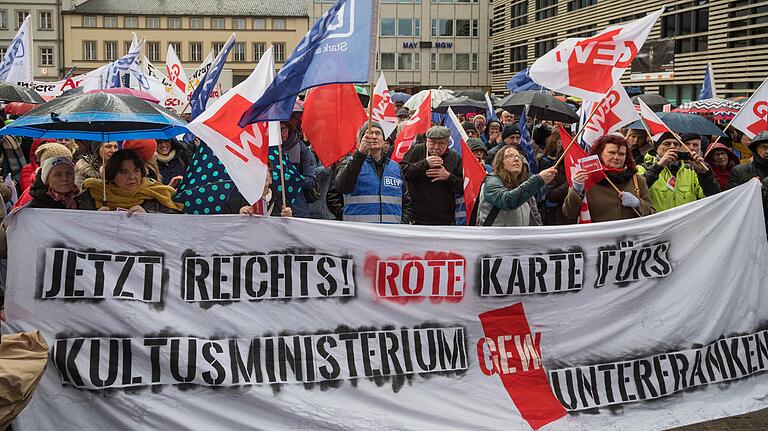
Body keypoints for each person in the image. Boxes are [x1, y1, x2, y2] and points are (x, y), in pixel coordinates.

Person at [563, 135, 655, 222]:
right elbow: (570, 213)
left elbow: (653, 213)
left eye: (621, 154)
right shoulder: (586, 179)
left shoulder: (637, 180)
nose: (617, 157)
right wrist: (577, 189)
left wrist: (638, 203)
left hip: (630, 237)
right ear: (600, 154)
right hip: (599, 237)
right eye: (612, 152)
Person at [332, 123, 411, 224]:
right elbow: (341, 188)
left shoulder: (395, 167)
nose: (373, 136)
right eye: (368, 133)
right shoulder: (349, 163)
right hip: (360, 233)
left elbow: (406, 201)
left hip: (390, 233)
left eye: (377, 133)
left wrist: (402, 224)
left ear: (383, 141)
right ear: (361, 141)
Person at [78, 149, 183, 215]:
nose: (132, 177)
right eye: (124, 172)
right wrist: (93, 218)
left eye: (136, 170)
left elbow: (175, 221)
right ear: (112, 175)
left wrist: (149, 215)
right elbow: (76, 226)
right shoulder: (94, 195)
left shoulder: (156, 193)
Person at [475, 145, 556, 226]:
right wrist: (538, 179)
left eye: (518, 157)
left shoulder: (524, 185)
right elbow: (508, 201)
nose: (516, 159)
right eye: (509, 156)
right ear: (500, 163)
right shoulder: (491, 182)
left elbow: (535, 219)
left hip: (519, 238)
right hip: (495, 238)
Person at [638, 132, 719, 212]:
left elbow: (712, 196)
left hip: (685, 222)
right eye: (667, 143)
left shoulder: (690, 170)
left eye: (676, 144)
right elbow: (638, 193)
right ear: (656, 148)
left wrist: (704, 173)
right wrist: (659, 166)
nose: (672, 147)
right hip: (658, 222)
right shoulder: (642, 168)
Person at [400, 126, 464, 225]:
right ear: (427, 141)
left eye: (441, 143)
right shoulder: (417, 150)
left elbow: (463, 186)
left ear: (447, 143)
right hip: (417, 218)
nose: (436, 147)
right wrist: (424, 163)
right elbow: (402, 173)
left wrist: (448, 177)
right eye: (432, 142)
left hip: (445, 219)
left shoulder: (455, 157)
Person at [728, 131, 768, 235]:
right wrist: (749, 189)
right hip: (751, 229)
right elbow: (732, 202)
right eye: (764, 147)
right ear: (755, 150)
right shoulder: (739, 171)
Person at [14, 142, 74, 209]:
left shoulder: (79, 198)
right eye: (58, 174)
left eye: (69, 173)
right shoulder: (32, 200)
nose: (64, 178)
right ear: (46, 177)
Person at [225, 161, 292, 217]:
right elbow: (226, 229)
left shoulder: (283, 202)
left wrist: (289, 218)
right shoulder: (234, 204)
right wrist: (238, 217)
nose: (260, 175)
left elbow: (295, 229)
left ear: (271, 178)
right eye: (255, 172)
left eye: (263, 170)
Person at [279, 122, 317, 218]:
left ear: (289, 128)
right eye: (276, 130)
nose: (280, 133)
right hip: (274, 209)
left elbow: (311, 181)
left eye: (283, 129)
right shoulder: (267, 149)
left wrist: (293, 178)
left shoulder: (302, 150)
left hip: (299, 210)